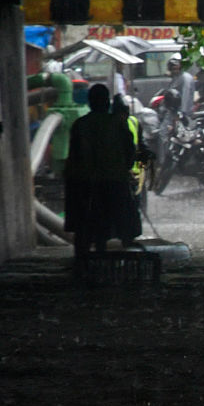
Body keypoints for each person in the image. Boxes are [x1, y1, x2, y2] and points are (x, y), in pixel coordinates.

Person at [64, 84, 139, 273]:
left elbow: (73, 157)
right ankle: (109, 264)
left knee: (84, 227)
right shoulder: (117, 124)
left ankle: (82, 267)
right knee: (115, 226)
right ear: (107, 103)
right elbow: (130, 152)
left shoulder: (81, 124)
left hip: (85, 184)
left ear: (90, 102)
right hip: (113, 183)